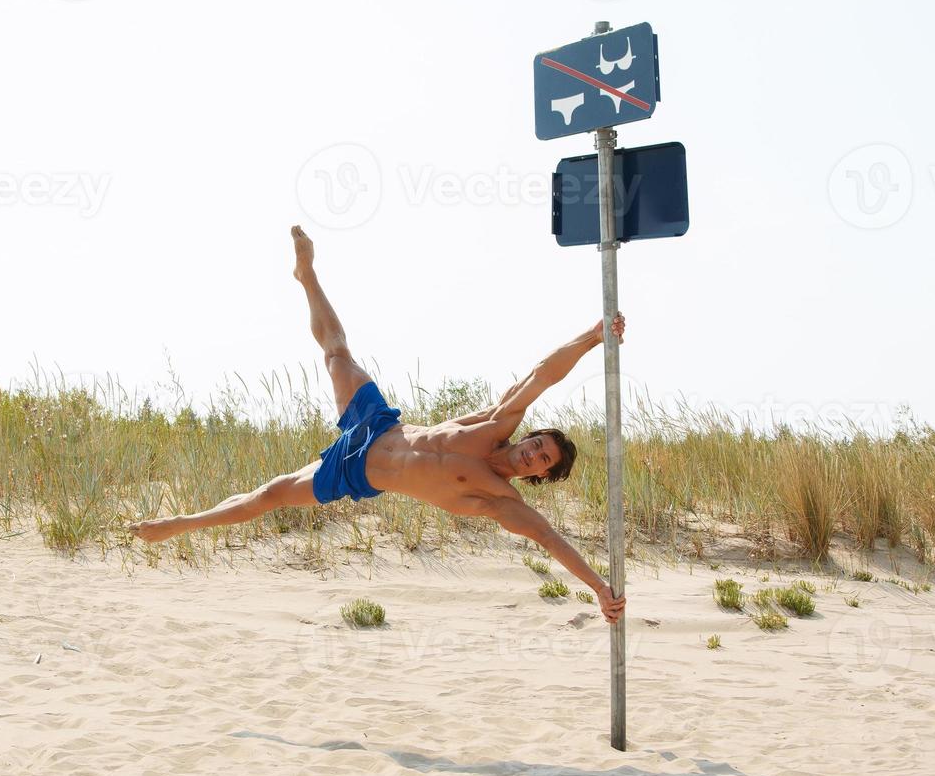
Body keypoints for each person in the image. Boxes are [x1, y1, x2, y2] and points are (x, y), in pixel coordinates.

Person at [129, 226, 628, 624]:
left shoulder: (499, 499)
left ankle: (180, 525)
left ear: (539, 475)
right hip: (377, 426)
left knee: (271, 495)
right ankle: (307, 275)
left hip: (356, 471)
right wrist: (592, 337)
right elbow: (542, 375)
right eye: (537, 443)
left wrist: (599, 588)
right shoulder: (495, 424)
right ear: (528, 437)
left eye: (541, 460)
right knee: (336, 353)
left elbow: (551, 540)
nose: (533, 453)